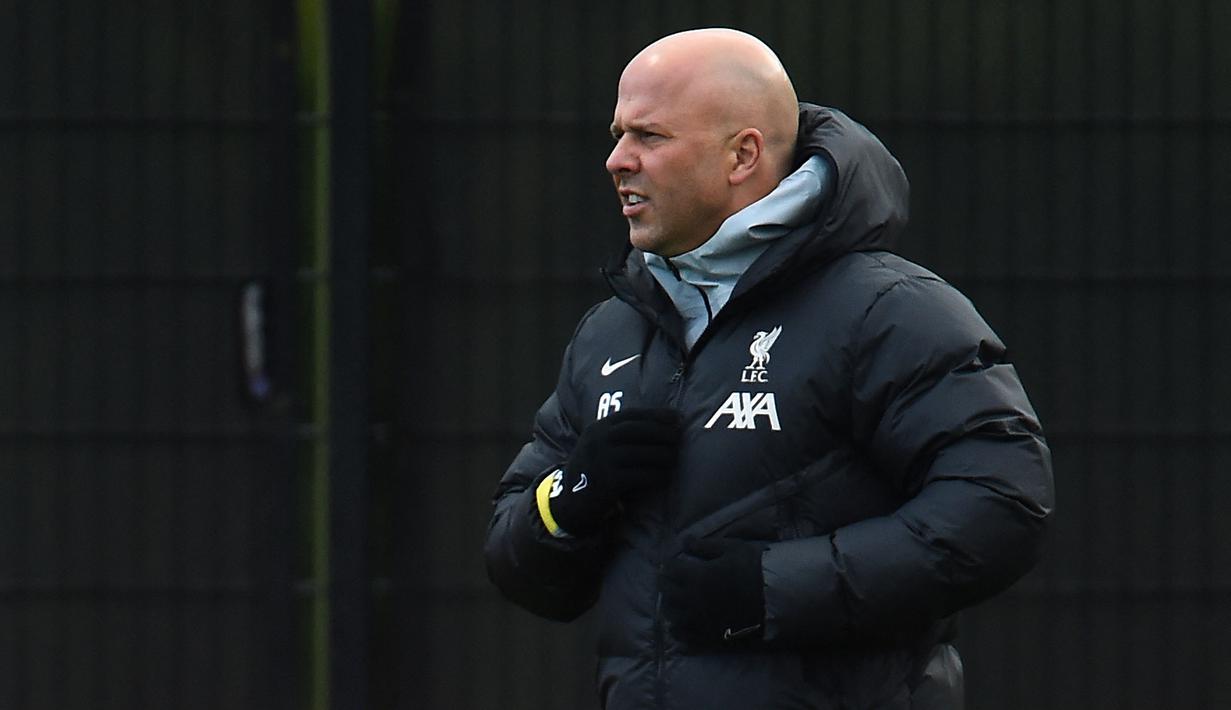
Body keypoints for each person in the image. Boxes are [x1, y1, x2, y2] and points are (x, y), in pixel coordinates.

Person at [484, 27, 1054, 710]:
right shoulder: (613, 329)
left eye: (649, 137)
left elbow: (1000, 505)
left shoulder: (890, 311)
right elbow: (516, 560)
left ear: (742, 154)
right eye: (617, 134)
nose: (616, 160)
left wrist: (774, 589)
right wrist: (569, 496)